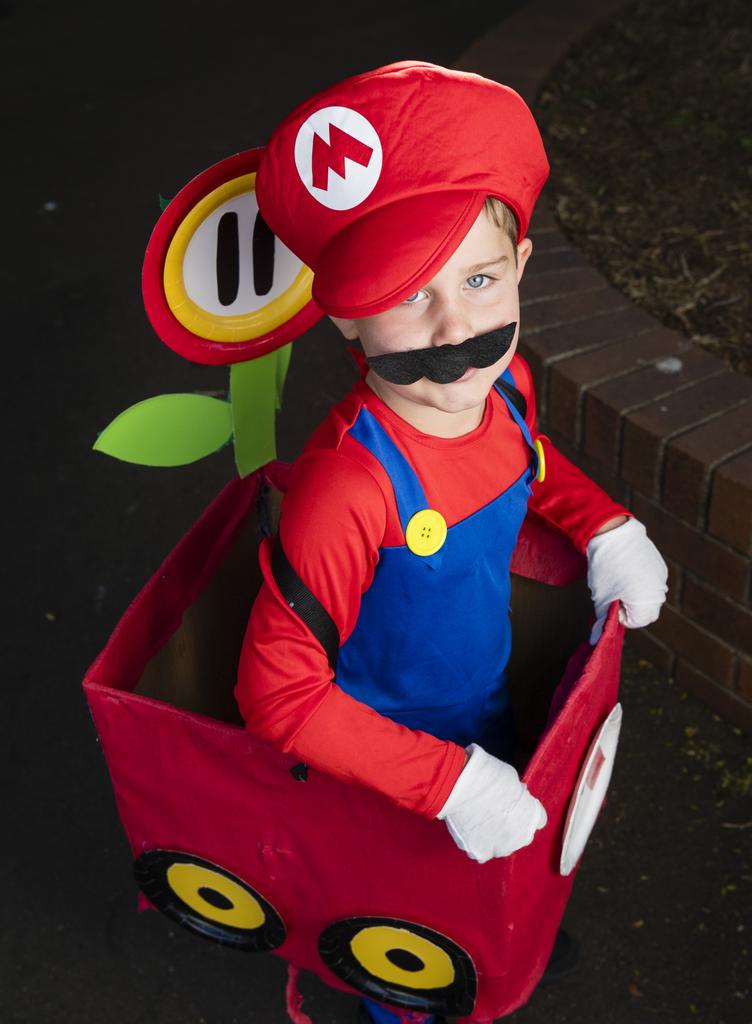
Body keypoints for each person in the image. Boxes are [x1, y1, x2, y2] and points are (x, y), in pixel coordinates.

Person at [236, 61, 667, 1023]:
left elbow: (528, 458)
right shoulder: (350, 487)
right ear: (341, 312)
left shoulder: (498, 387)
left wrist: (602, 524)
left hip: (482, 699)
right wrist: (449, 783)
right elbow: (278, 691)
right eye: (406, 292)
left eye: (477, 278)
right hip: (384, 759)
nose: (455, 331)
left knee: (502, 869)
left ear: (518, 270)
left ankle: (509, 936)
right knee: (407, 921)